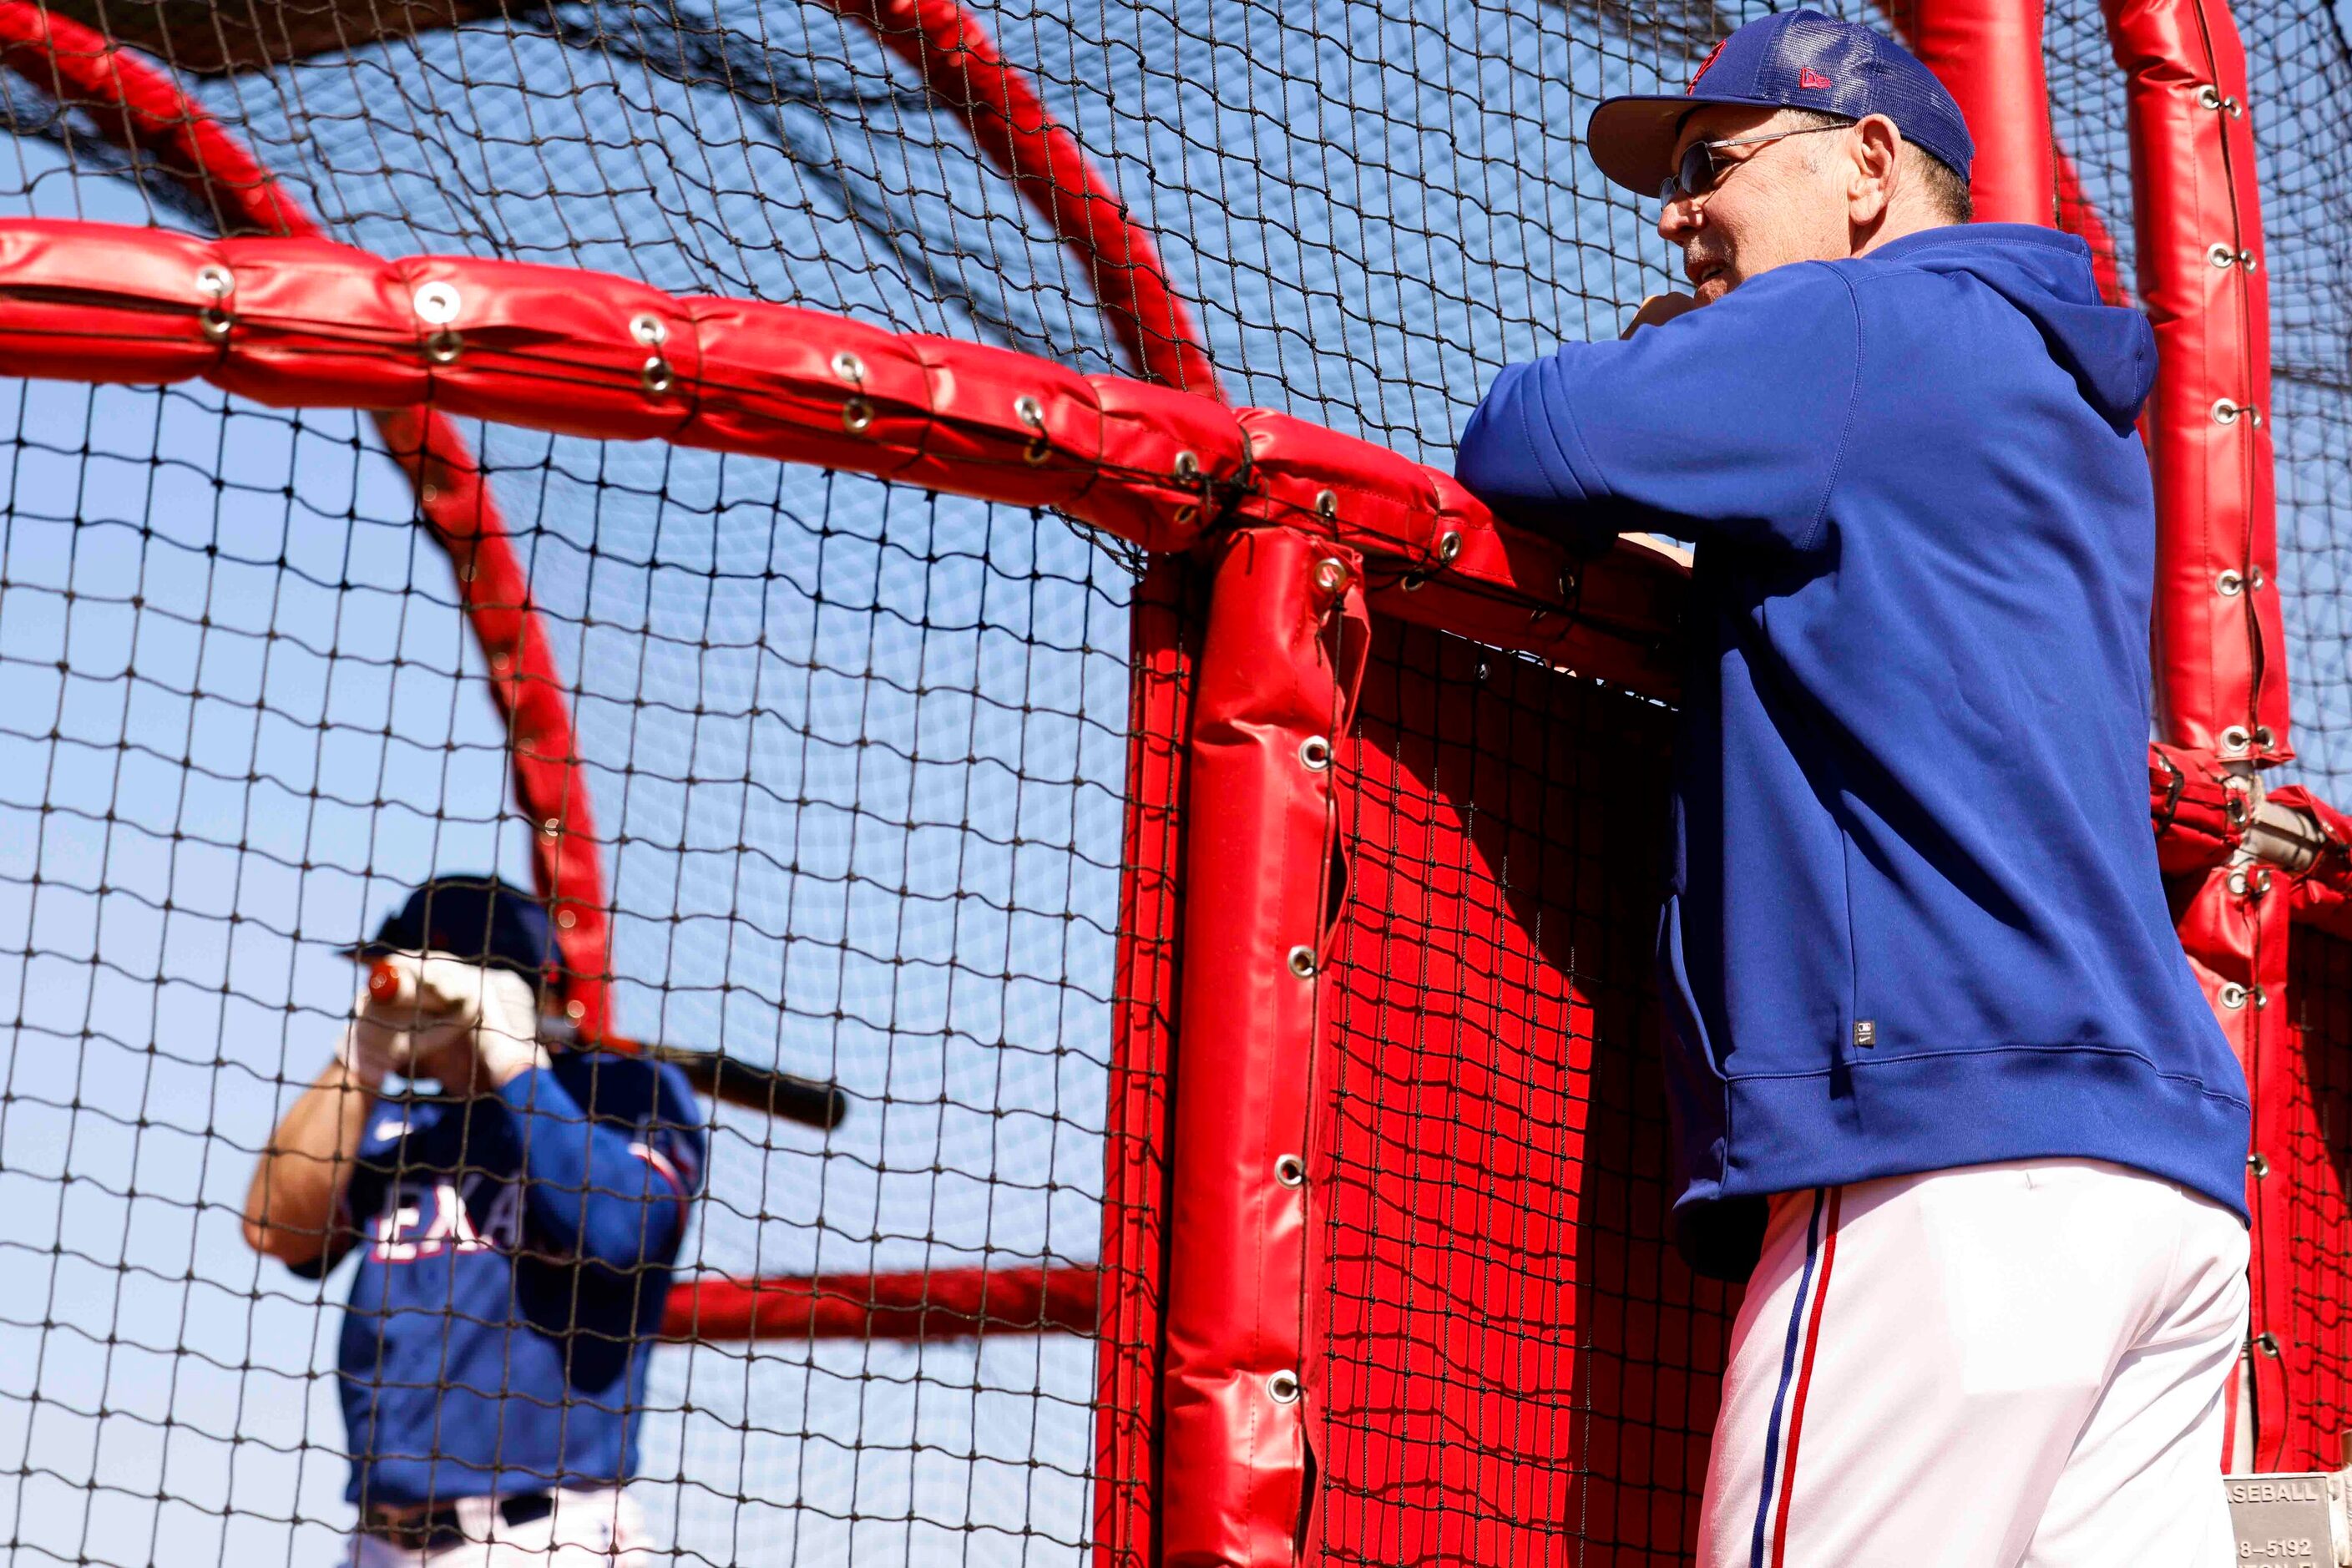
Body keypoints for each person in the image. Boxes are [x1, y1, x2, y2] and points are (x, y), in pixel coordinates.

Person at [1454, 12, 2251, 1564]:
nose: (1677, 210)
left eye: (1713, 165)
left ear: (1870, 164)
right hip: (2173, 1196)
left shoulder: (1863, 328)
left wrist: (1667, 369)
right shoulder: (2050, 386)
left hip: (1946, 1167)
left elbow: (1523, 431)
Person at [240, 876, 706, 1565]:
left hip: (545, 1536)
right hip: (381, 1542)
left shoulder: (625, 1095)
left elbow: (619, 1230)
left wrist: (510, 1054)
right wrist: (362, 1053)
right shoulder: (398, 1122)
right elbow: (275, 1228)